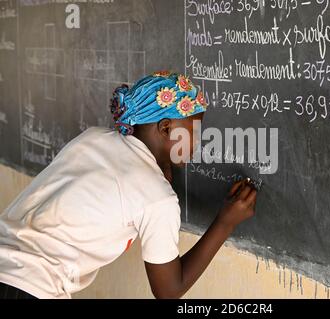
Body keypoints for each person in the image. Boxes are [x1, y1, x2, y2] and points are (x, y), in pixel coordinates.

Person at [0, 71, 258, 299]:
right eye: (194, 131)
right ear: (166, 128)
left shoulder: (93, 137)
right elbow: (169, 291)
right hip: (31, 287)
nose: (197, 143)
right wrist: (226, 222)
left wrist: (161, 168)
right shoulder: (157, 197)